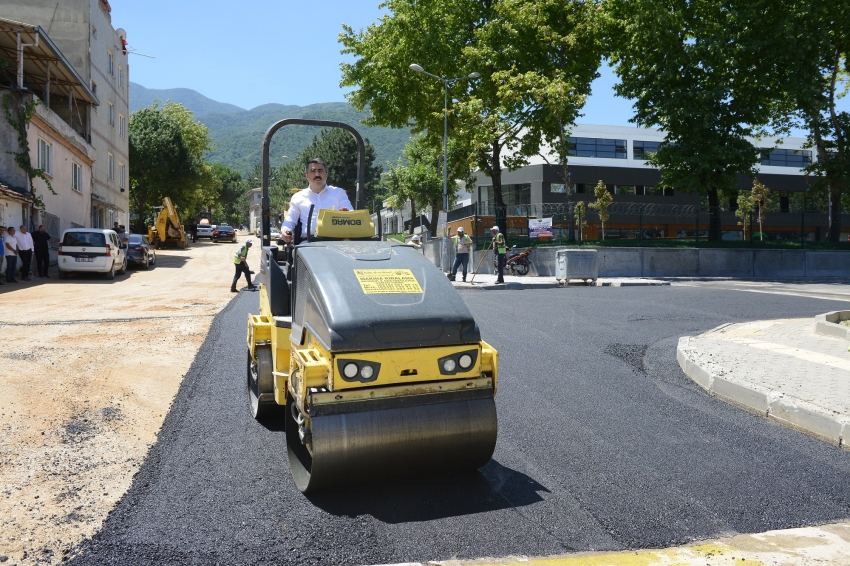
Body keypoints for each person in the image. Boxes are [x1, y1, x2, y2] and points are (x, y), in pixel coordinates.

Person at [281, 158, 352, 243]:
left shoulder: (338, 193)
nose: (317, 174)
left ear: (326, 174)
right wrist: (286, 230)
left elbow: (351, 216)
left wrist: (346, 214)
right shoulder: (298, 197)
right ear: (306, 175)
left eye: (320, 171)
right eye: (313, 171)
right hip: (308, 242)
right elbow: (290, 221)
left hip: (335, 241)